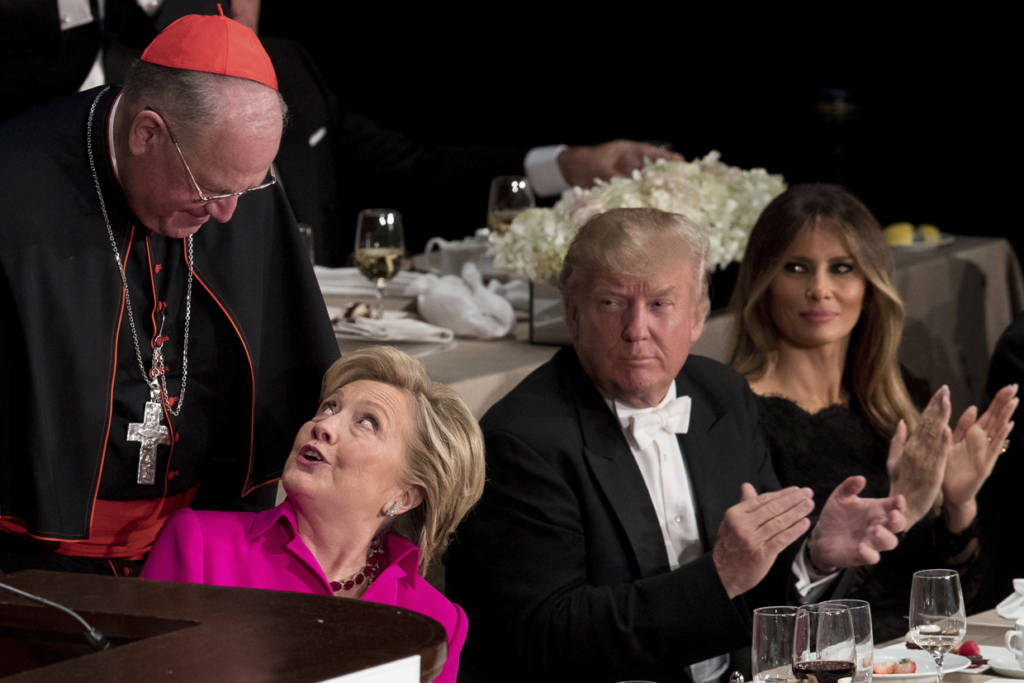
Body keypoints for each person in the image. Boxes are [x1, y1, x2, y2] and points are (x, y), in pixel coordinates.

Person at [445, 207, 908, 683]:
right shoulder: (523, 441)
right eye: (611, 303)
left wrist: (813, 558)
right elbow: (548, 636)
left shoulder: (721, 397)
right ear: (572, 313)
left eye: (660, 305)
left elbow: (759, 597)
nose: (636, 329)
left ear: (698, 316)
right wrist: (719, 575)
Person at [0, 11, 339, 575]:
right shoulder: (14, 187)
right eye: (210, 188)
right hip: (33, 570)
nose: (228, 216)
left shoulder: (236, 187)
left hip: (200, 555)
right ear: (146, 132)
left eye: (246, 190)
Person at [728, 183, 1017, 640]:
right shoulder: (734, 413)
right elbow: (764, 609)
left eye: (841, 268)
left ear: (869, 282)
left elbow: (960, 597)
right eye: (796, 268)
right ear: (763, 281)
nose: (820, 290)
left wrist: (957, 504)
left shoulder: (902, 398)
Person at [141, 346, 485, 683]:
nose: (324, 425)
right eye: (328, 407)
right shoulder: (199, 545)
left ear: (406, 495)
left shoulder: (437, 620)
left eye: (367, 422)